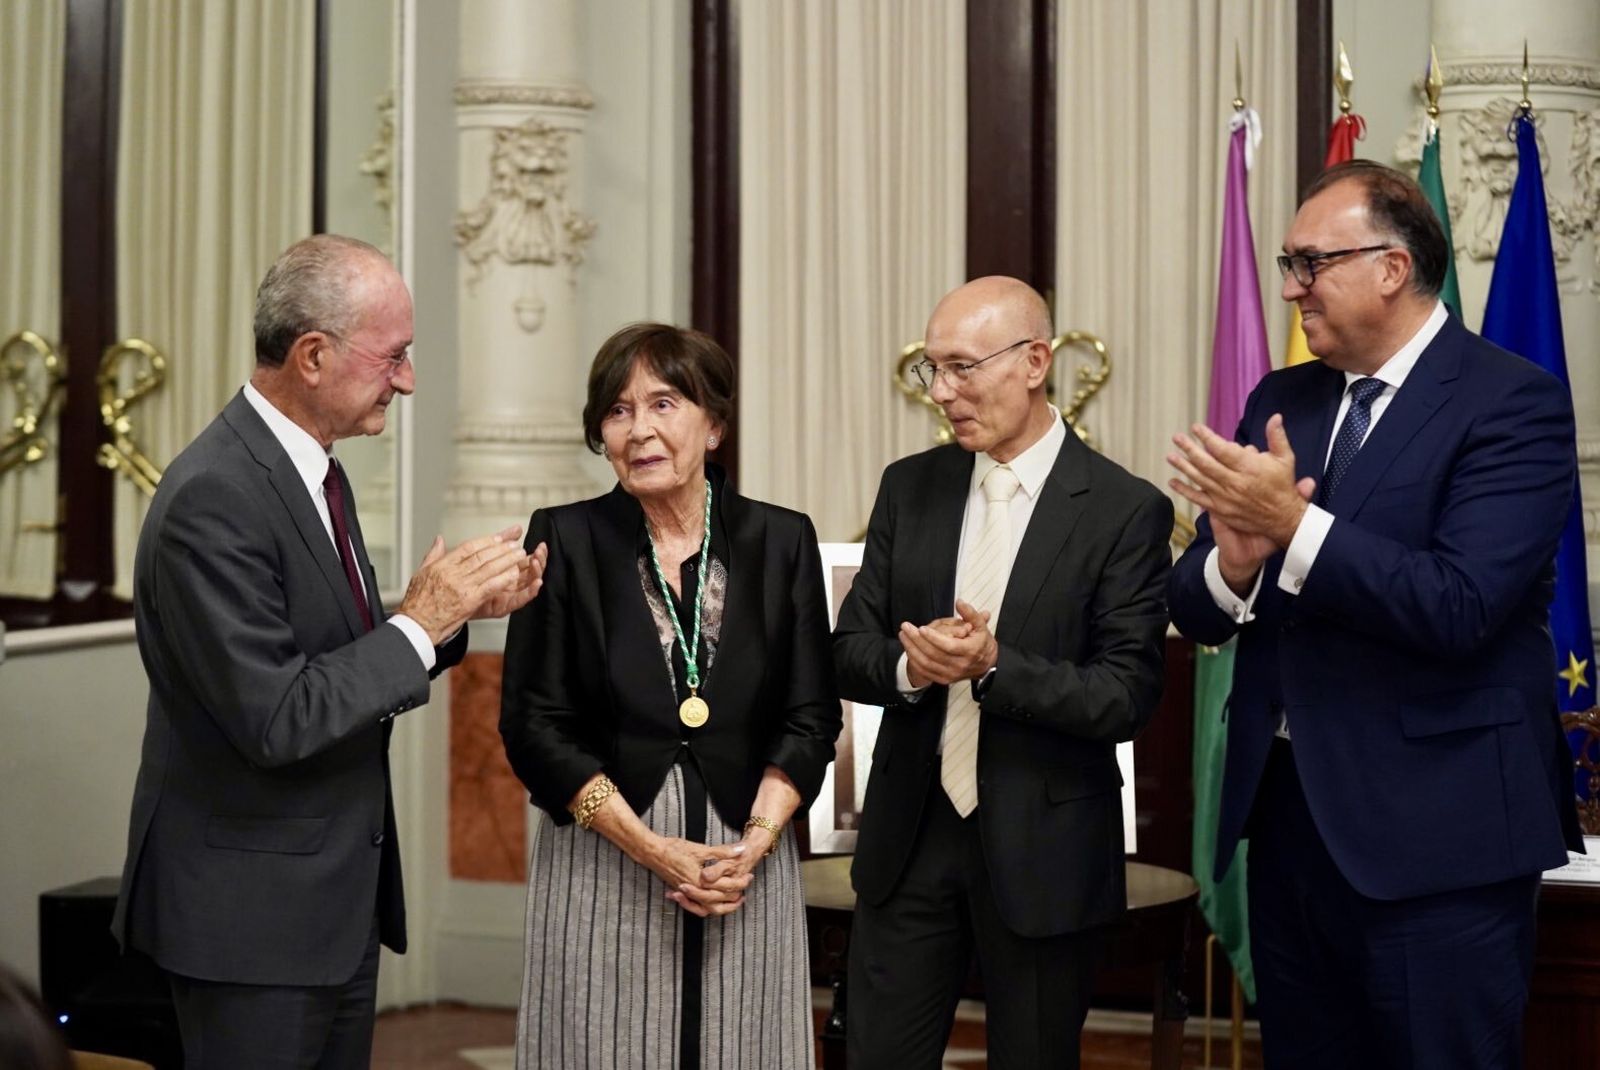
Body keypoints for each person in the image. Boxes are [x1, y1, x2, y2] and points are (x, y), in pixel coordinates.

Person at [1167, 160, 1584, 1068]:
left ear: (1391, 267)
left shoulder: (1512, 402)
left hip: (1439, 843)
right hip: (1287, 829)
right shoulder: (1283, 400)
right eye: (1285, 264)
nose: (1290, 288)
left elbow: (1460, 605)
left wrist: (1291, 528)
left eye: (1310, 264)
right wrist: (1234, 566)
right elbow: (1196, 603)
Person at [111, 234, 546, 1069]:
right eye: (395, 356)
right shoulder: (216, 495)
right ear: (313, 355)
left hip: (325, 909)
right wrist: (419, 623)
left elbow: (334, 657)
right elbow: (278, 716)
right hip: (249, 924)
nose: (409, 379)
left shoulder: (314, 470)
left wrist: (450, 620)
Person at [833, 277, 1174, 1068]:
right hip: (908, 840)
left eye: (961, 368)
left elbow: (1125, 695)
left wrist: (994, 667)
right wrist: (911, 668)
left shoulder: (1123, 510)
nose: (942, 393)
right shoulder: (909, 487)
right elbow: (847, 649)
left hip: (1046, 851)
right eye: (932, 371)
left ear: (1033, 362)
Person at [499, 322, 841, 1070]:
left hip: (742, 856)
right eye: (618, 412)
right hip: (607, 850)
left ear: (713, 423)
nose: (639, 430)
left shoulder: (781, 541)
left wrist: (752, 845)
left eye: (664, 403)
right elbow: (533, 726)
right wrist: (651, 849)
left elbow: (811, 717)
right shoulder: (564, 538)